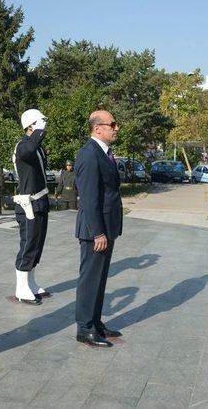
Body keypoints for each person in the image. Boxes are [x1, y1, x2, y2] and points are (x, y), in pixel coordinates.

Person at [74, 110, 123, 347]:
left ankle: (95, 321)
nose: (116, 128)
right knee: (90, 279)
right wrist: (98, 232)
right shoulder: (89, 154)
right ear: (97, 129)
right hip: (96, 231)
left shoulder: (104, 153)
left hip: (106, 227)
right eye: (112, 124)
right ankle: (84, 328)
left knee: (100, 279)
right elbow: (89, 198)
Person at [12, 109, 52, 304]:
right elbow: (27, 151)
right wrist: (38, 132)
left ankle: (31, 283)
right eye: (39, 122)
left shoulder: (37, 146)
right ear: (30, 126)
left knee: (37, 245)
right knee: (28, 244)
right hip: (28, 205)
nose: (44, 125)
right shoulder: (23, 146)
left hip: (40, 202)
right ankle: (21, 287)